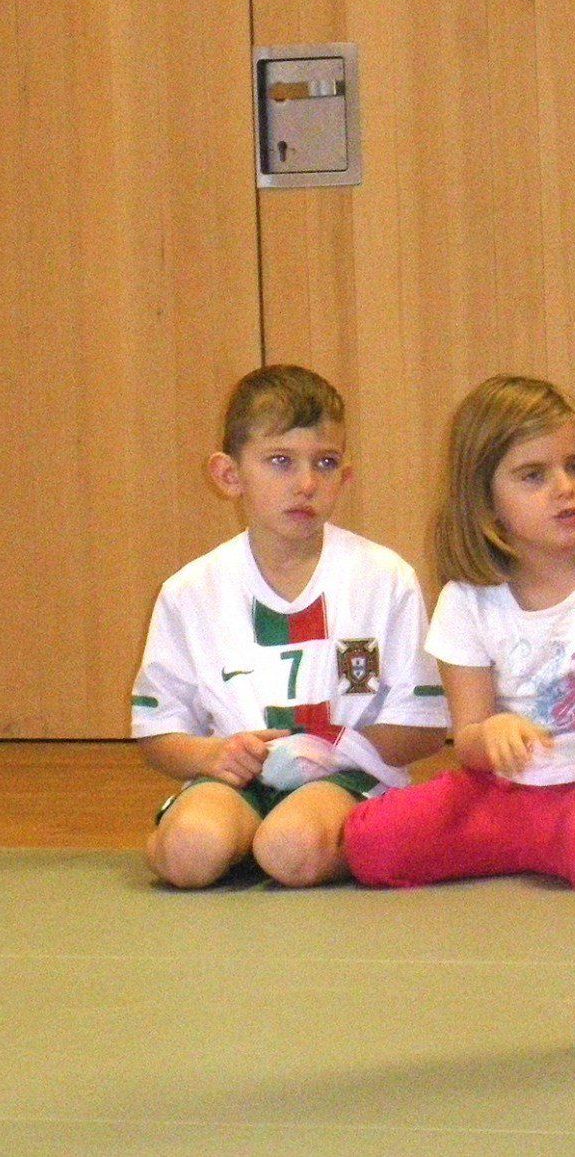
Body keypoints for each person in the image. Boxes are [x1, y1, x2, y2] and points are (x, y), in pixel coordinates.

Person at [130, 365, 448, 889]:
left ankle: (346, 838)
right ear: (229, 475)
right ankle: (223, 834)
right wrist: (212, 754)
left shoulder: (385, 579)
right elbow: (158, 731)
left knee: (292, 848)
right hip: (236, 778)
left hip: (346, 779)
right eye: (280, 461)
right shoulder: (190, 592)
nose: (305, 484)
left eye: (324, 463)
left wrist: (328, 750)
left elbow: (425, 727)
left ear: (345, 476)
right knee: (190, 853)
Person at [343, 376, 575, 889]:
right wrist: (492, 733)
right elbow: (469, 738)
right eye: (533, 476)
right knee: (372, 843)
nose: (565, 487)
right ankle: (541, 847)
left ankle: (563, 846)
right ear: (486, 502)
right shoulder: (468, 599)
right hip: (504, 793)